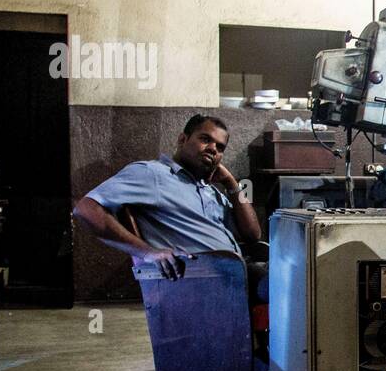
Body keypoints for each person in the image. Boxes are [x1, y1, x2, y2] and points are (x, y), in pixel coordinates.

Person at [72, 114, 261, 276]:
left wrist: (231, 183)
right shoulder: (153, 173)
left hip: (239, 270)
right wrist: (147, 253)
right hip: (204, 276)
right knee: (286, 285)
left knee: (285, 275)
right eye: (205, 139)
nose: (213, 149)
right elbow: (85, 209)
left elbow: (253, 234)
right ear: (182, 140)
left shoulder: (209, 190)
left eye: (220, 148)